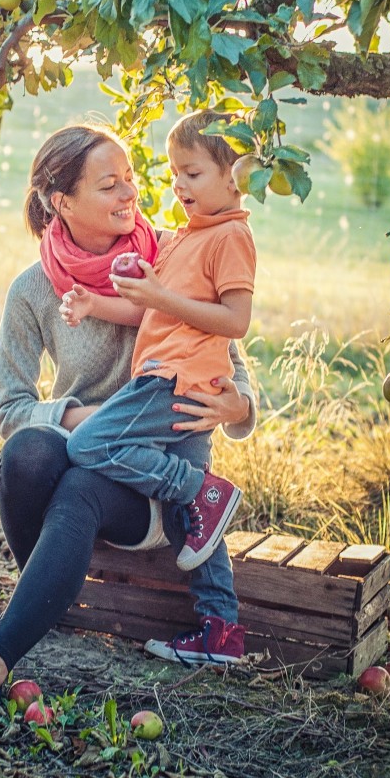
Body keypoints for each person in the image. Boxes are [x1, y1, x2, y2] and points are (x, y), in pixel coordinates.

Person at [0, 122, 257, 718]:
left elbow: (230, 348)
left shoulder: (171, 256)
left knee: (79, 482)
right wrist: (80, 416)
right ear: (61, 202)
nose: (131, 195)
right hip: (86, 450)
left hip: (152, 483)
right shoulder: (33, 291)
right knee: (31, 451)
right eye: (109, 186)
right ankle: (46, 593)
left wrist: (240, 406)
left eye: (130, 180)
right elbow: (10, 409)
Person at [61, 110, 256, 575]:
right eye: (174, 174)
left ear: (236, 180)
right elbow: (149, 309)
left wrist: (160, 294)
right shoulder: (184, 239)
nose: (178, 185)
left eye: (192, 173)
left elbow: (236, 322)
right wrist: (95, 304)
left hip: (174, 379)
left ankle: (201, 488)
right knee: (194, 523)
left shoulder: (229, 236)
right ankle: (220, 630)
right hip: (178, 381)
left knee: (87, 445)